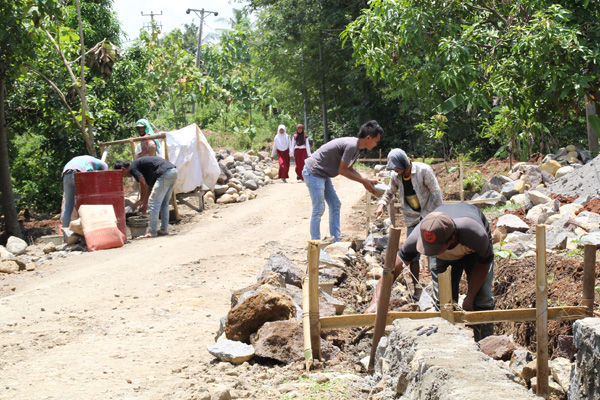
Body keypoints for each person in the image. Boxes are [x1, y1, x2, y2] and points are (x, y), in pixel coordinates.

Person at [397, 203, 495, 341]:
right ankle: (447, 344)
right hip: (444, 258)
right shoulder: (422, 234)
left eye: (434, 249)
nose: (431, 253)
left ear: (452, 239)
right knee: (444, 304)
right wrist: (376, 301)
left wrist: (470, 297)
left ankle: (486, 344)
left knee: (482, 299)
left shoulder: (475, 234)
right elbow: (392, 268)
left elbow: (484, 264)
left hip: (474, 254)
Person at [365, 149, 443, 312]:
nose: (395, 171)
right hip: (412, 218)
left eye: (397, 168)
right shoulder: (396, 176)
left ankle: (439, 294)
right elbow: (389, 193)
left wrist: (427, 216)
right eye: (394, 169)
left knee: (434, 251)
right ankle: (417, 289)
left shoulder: (423, 171)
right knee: (412, 254)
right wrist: (381, 205)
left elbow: (436, 194)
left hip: (429, 214)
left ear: (405, 164)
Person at [302, 120, 383, 243]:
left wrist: (365, 180)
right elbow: (342, 170)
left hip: (323, 174)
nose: (376, 144)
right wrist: (363, 182)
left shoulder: (356, 148)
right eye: (376, 141)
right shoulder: (351, 146)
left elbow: (349, 168)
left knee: (335, 204)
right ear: (368, 137)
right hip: (314, 172)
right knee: (319, 208)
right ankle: (315, 244)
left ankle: (336, 240)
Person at [114, 156, 178, 238]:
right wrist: (145, 203)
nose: (124, 177)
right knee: (164, 203)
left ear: (123, 169)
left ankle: (152, 231)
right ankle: (163, 230)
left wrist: (141, 201)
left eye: (122, 175)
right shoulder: (142, 167)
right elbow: (149, 186)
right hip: (172, 171)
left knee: (154, 203)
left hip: (165, 174)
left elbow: (143, 184)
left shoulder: (133, 168)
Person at [61, 155, 109, 228]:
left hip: (66, 174)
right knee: (86, 204)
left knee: (68, 206)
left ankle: (65, 235)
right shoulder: (101, 163)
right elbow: (106, 174)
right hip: (79, 173)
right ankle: (89, 230)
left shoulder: (83, 159)